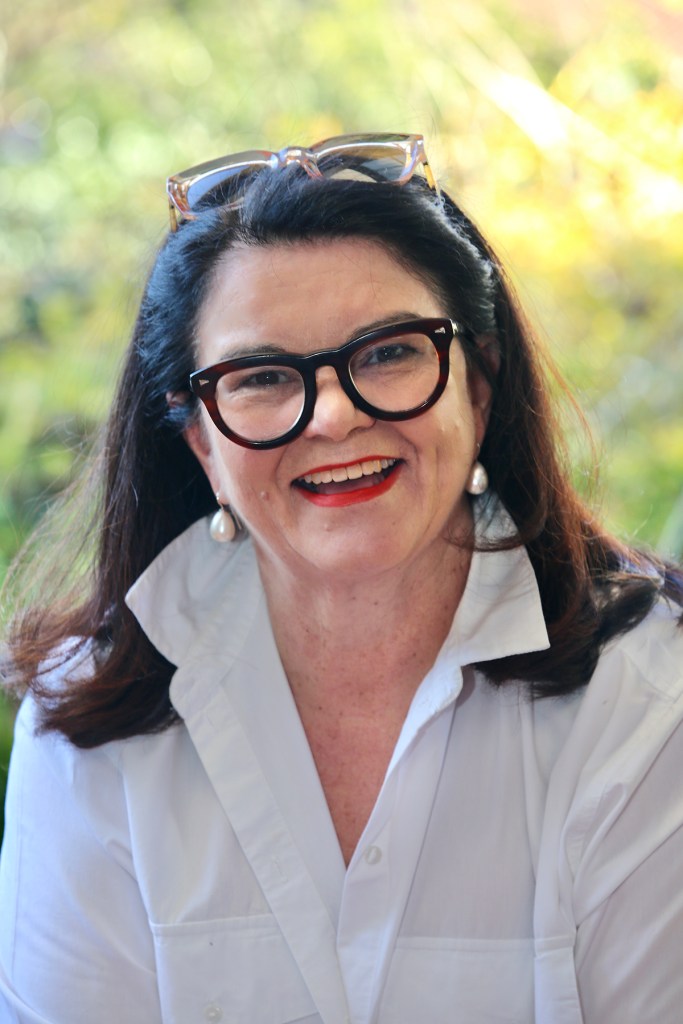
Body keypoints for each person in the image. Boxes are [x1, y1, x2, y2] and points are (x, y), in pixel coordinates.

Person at [0, 132, 682, 1024]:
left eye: (388, 353)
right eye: (261, 376)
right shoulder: (87, 721)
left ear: (478, 384)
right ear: (199, 439)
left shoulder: (651, 698)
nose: (330, 414)